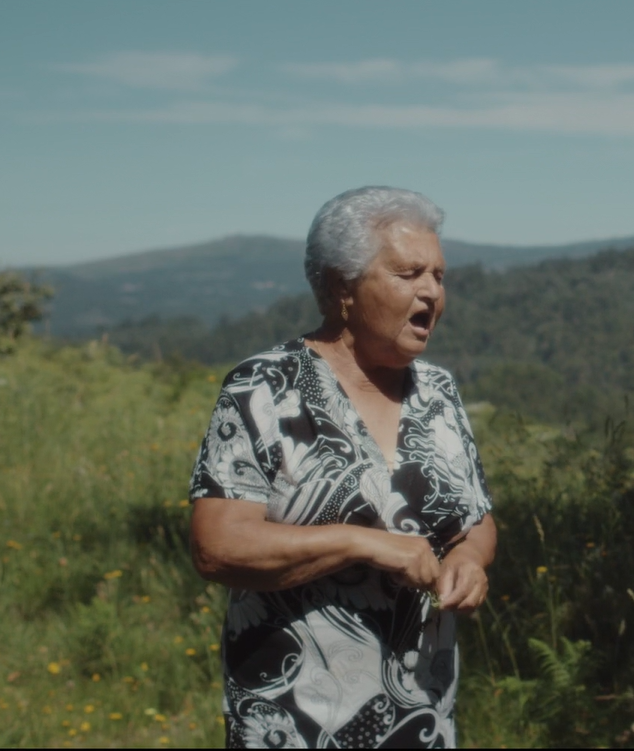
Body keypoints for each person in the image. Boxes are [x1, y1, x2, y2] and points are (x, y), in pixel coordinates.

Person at [188, 186, 496, 748]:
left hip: (422, 713)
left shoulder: (438, 392)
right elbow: (218, 545)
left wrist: (471, 561)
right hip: (296, 717)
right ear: (340, 287)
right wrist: (362, 543)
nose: (432, 292)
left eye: (439, 276)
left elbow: (474, 521)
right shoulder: (264, 388)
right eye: (409, 274)